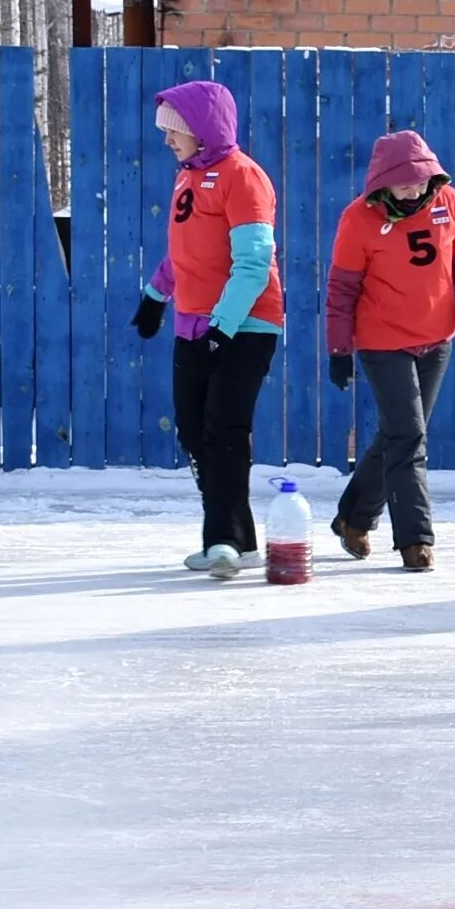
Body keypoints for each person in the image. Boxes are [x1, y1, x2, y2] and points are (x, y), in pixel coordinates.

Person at [130, 81, 285, 579]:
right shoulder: (188, 179)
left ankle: (222, 540)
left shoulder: (244, 177)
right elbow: (186, 253)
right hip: (193, 321)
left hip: (247, 322)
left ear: (201, 129)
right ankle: (234, 537)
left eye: (174, 131)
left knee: (223, 426)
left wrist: (224, 325)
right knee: (195, 429)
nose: (168, 140)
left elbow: (254, 262)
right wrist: (156, 297)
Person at [325, 131, 455, 572]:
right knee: (409, 436)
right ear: (382, 182)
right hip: (382, 341)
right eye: (404, 184)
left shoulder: (449, 203)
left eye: (420, 181)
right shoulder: (358, 219)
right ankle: (415, 539)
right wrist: (339, 349)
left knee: (399, 435)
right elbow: (342, 288)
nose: (414, 190)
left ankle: (352, 519)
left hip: (437, 338)